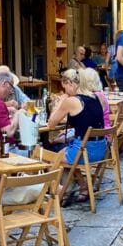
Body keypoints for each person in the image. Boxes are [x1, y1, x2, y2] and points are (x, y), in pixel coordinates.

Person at [46, 68, 107, 205]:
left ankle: (61, 192)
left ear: (73, 84)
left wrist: (61, 102)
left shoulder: (72, 101)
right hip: (101, 149)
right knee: (64, 152)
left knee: (50, 157)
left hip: (85, 151)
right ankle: (83, 185)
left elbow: (51, 124)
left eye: (66, 86)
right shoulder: (97, 98)